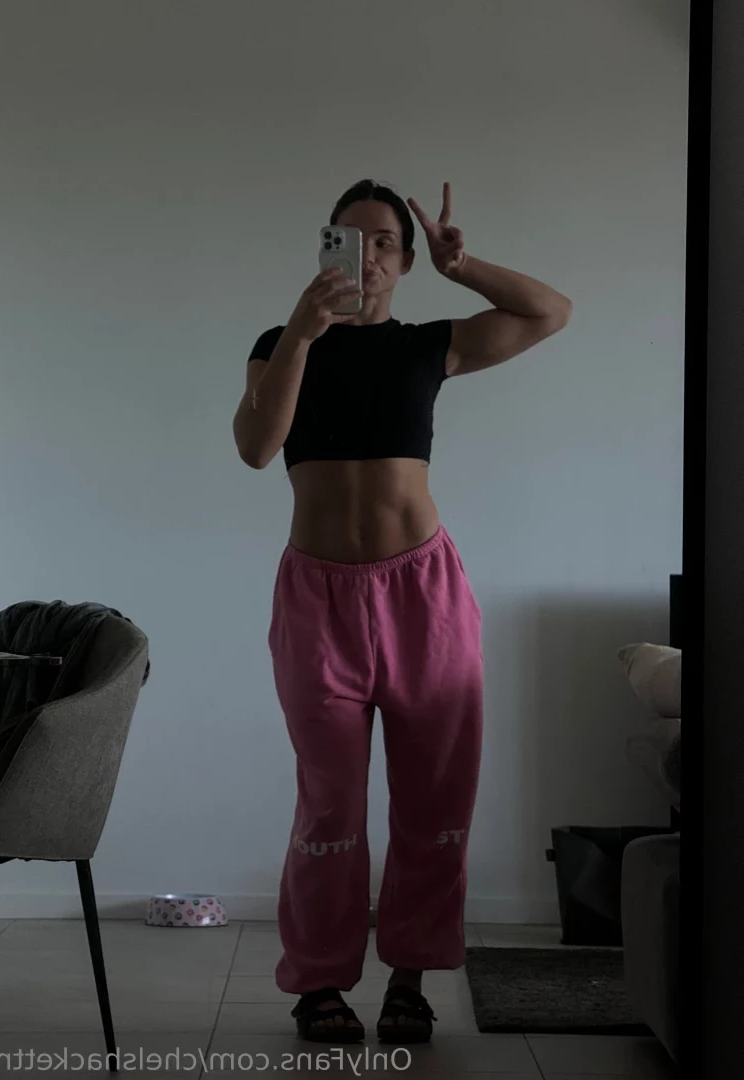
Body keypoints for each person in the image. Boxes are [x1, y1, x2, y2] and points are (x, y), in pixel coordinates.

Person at [232, 180, 572, 1044]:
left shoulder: (429, 346)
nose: (369, 255)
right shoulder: (279, 343)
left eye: (384, 241)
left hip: (424, 595)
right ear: (326, 249)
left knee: (434, 800)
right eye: (349, 239)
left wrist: (467, 266)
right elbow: (256, 447)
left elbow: (550, 312)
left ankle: (409, 980)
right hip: (318, 600)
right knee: (329, 806)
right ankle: (319, 981)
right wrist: (302, 333)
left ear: (407, 261)